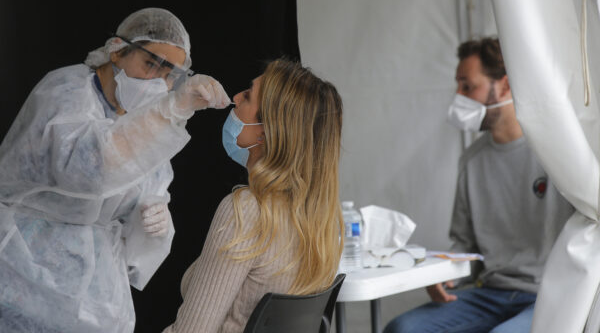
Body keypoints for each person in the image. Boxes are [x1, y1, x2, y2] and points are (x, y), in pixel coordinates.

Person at [0, 7, 230, 333]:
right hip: (22, 264)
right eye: (151, 64)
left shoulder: (142, 117)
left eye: (171, 75)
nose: (158, 82)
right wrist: (173, 108)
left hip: (96, 282)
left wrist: (153, 225)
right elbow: (88, 167)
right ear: (117, 51)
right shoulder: (65, 91)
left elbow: (146, 190)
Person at [384, 37, 574, 333]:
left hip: (549, 295)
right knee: (403, 329)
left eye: (468, 86)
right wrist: (446, 275)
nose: (458, 96)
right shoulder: (472, 161)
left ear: (506, 86)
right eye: (458, 86)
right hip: (490, 292)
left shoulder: (557, 152)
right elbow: (465, 245)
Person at [162, 58, 344, 333]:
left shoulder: (247, 211)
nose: (235, 97)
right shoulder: (321, 218)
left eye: (247, 96)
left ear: (267, 132)